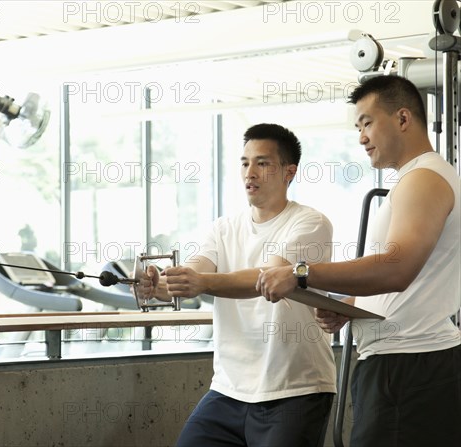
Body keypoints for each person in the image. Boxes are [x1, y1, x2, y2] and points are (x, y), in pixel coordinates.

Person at [256, 75, 461, 447]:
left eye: (367, 122)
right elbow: (414, 279)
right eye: (358, 126)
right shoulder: (415, 180)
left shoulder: (424, 180)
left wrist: (301, 274)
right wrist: (351, 306)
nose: (361, 137)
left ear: (402, 119)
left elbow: (396, 268)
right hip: (403, 362)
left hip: (408, 365)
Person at [140, 123, 336, 447]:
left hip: (295, 389)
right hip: (228, 391)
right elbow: (194, 271)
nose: (250, 172)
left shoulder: (310, 222)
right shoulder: (222, 228)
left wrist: (200, 281)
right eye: (244, 163)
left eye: (262, 163)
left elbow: (267, 278)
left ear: (289, 172)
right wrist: (160, 284)